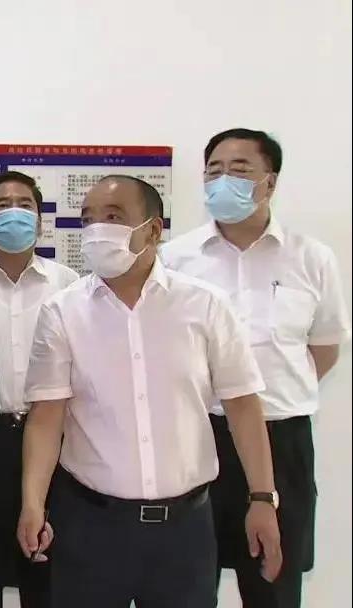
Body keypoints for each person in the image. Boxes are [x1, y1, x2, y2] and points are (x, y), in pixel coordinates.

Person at [17, 175, 283, 608]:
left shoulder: (206, 304)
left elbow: (242, 405)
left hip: (185, 530)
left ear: (154, 230)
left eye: (113, 217)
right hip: (90, 527)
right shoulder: (62, 311)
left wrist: (262, 498)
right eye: (88, 219)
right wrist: (32, 503)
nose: (97, 229)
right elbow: (47, 418)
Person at [161, 128, 351, 608]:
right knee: (187, 581)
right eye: (214, 171)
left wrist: (271, 394)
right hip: (200, 437)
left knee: (273, 584)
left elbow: (325, 346)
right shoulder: (176, 258)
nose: (223, 179)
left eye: (239, 170)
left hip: (281, 438)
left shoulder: (312, 258)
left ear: (271, 182)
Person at [0, 171, 78, 608]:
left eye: (25, 205)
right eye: (2, 205)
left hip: (55, 442)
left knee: (47, 573)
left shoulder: (68, 283)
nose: (15, 213)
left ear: (40, 220)